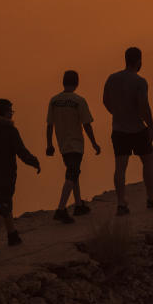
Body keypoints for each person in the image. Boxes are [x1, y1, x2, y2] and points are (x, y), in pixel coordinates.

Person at [102, 47, 153, 216]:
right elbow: (143, 106)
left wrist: (117, 113)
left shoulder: (112, 79)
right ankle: (151, 197)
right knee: (147, 161)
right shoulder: (140, 82)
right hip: (137, 129)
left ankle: (121, 204)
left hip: (118, 130)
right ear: (138, 61)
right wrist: (151, 126)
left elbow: (105, 101)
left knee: (120, 168)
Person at [0, 99, 41, 256]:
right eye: (10, 110)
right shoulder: (10, 131)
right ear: (4, 112)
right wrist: (34, 162)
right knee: (2, 206)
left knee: (3, 203)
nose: (12, 113)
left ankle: (12, 235)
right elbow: (21, 151)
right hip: (7, 175)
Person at [46, 70, 101, 224]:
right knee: (72, 173)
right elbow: (86, 124)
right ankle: (61, 209)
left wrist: (49, 144)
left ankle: (78, 205)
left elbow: (50, 125)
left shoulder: (54, 101)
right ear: (77, 83)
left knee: (73, 171)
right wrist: (94, 143)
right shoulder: (79, 100)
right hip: (76, 143)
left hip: (62, 143)